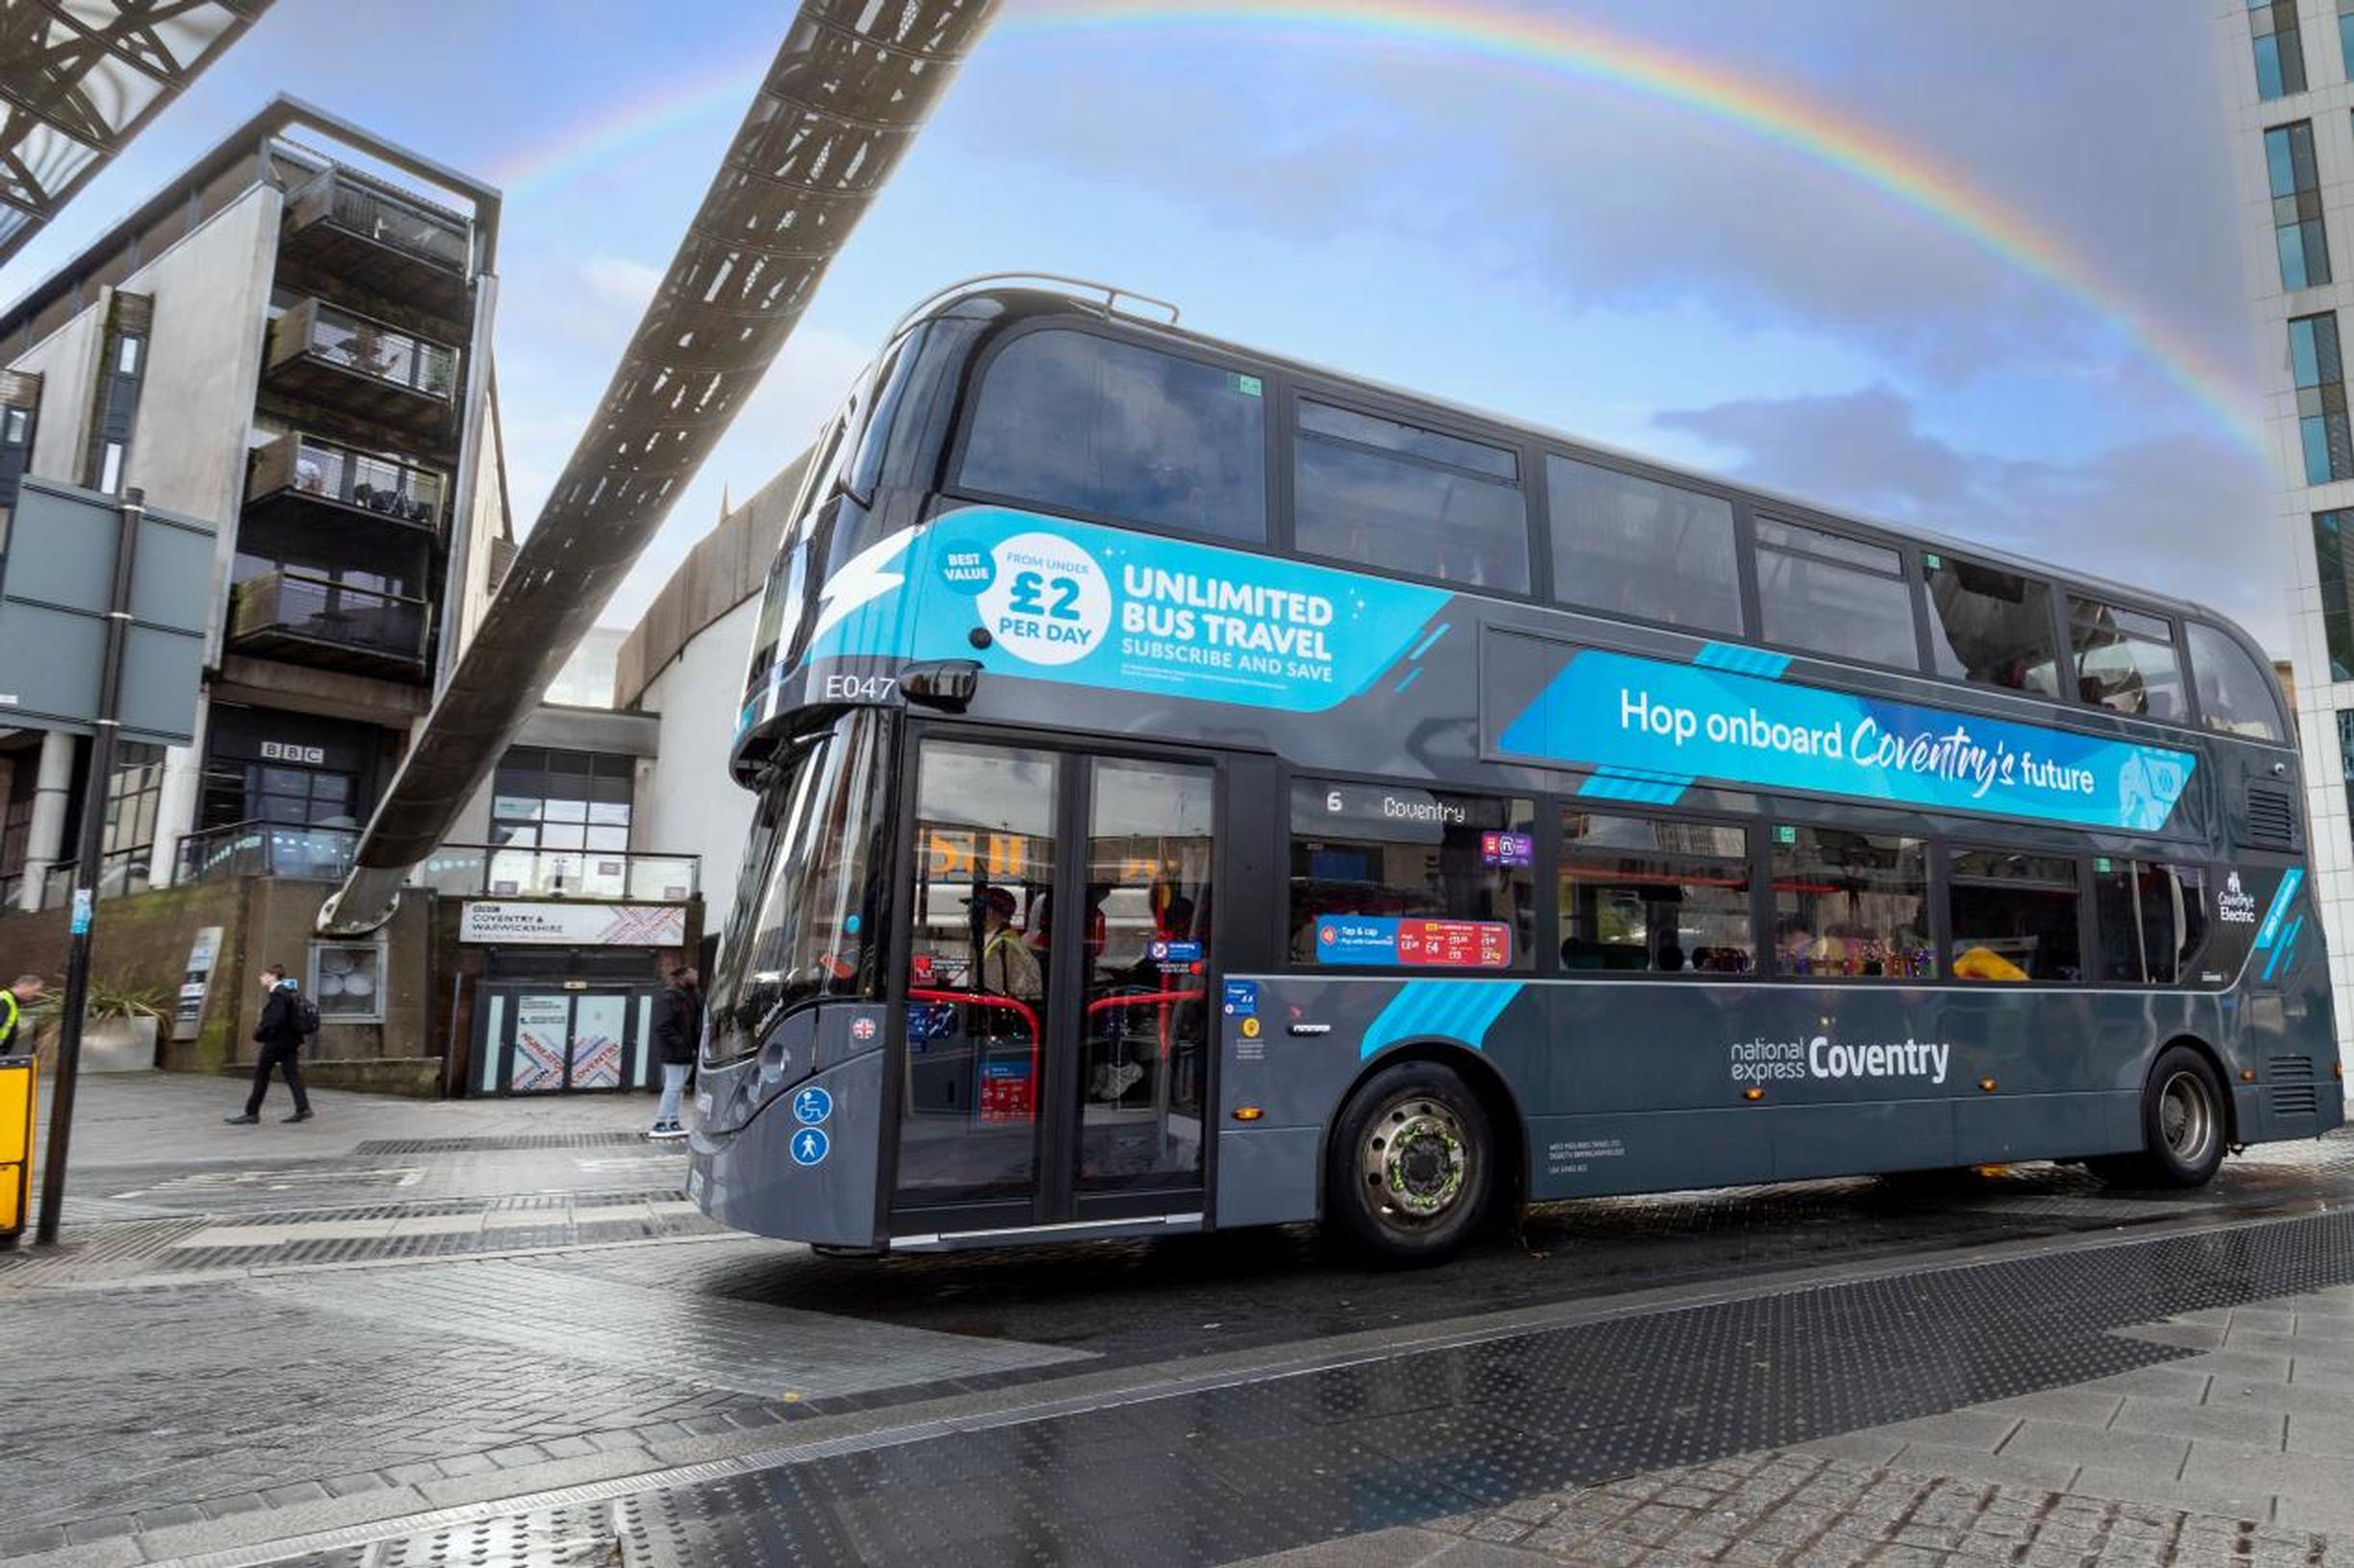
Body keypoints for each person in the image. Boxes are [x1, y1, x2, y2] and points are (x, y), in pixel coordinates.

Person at [227, 964, 311, 1124]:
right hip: (291, 1041)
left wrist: (261, 1033)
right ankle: (303, 1108)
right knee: (292, 1074)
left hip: (277, 1042)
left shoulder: (278, 994)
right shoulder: (287, 993)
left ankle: (251, 1113)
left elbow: (276, 1019)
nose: (260, 978)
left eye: (263, 975)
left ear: (272, 976)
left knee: (261, 1074)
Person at [650, 967, 701, 1140]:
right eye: (692, 975)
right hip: (675, 1050)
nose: (695, 977)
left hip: (687, 1049)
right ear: (681, 978)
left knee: (678, 1087)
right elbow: (663, 1026)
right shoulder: (669, 997)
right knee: (673, 1085)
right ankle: (661, 1122)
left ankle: (673, 1121)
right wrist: (680, 1043)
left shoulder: (692, 996)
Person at [969, 887, 1042, 1002]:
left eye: (974, 910)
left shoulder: (1000, 947)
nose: (970, 916)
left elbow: (989, 994)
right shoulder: (1009, 940)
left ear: (989, 912)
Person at [0, 974, 43, 1055]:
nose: (37, 994)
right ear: (25, 986)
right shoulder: (4, 1001)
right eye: (36, 990)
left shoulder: (12, 1002)